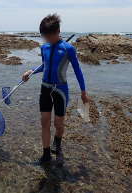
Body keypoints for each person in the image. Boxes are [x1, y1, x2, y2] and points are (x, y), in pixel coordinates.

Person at [22, 14, 89, 166]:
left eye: (49, 36)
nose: (47, 39)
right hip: (45, 88)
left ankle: (57, 142)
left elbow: (78, 70)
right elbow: (45, 66)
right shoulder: (44, 47)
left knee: (58, 123)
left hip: (60, 90)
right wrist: (30, 72)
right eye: (44, 36)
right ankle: (46, 155)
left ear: (58, 31)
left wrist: (83, 91)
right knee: (44, 122)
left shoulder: (68, 49)